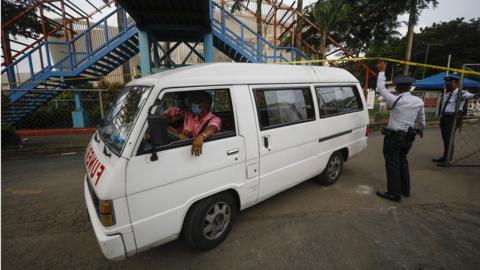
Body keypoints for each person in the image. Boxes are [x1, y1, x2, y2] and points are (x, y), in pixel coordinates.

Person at [375, 60, 425, 203]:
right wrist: (421, 129)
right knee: (403, 161)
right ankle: (405, 190)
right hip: (409, 137)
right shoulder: (418, 101)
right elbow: (421, 118)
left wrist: (382, 71)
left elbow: (380, 87)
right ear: (409, 87)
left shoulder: (395, 100)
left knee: (392, 164)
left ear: (397, 87)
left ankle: (393, 193)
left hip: (394, 138)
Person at [432, 74, 477, 166]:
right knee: (445, 138)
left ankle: (448, 159)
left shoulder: (462, 93)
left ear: (454, 84)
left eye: (448, 84)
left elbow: (473, 96)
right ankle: (445, 156)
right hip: (445, 118)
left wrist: (476, 95)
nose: (446, 86)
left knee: (449, 138)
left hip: (453, 118)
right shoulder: (448, 94)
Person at [179, 91, 221, 156]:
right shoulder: (193, 118)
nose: (193, 104)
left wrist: (201, 137)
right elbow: (184, 133)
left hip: (212, 152)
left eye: (196, 102)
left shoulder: (215, 119)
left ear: (205, 105)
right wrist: (190, 142)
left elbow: (212, 128)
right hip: (196, 150)